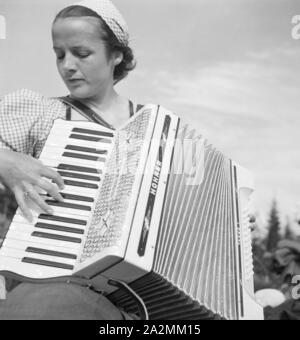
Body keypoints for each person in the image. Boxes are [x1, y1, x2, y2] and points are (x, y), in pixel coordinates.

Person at [0, 0, 140, 320]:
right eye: (59, 54)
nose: (67, 65)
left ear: (116, 54)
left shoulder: (150, 130)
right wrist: (4, 161)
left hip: (136, 297)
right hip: (50, 280)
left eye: (81, 53)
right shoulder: (40, 112)